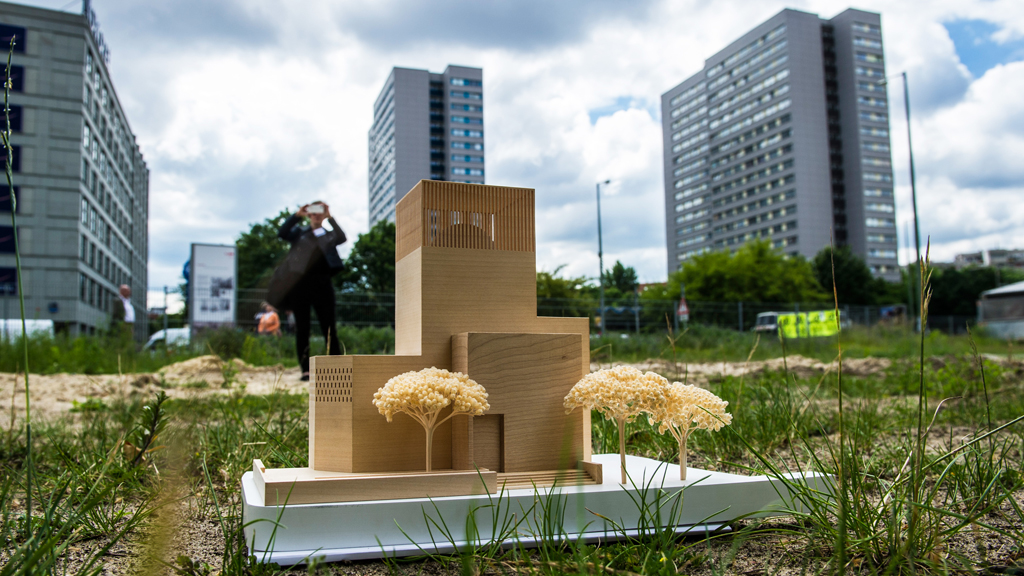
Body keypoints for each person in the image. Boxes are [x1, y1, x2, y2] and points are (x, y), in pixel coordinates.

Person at [277, 201, 343, 380]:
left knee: (329, 328)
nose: (316, 214)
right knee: (302, 328)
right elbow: (282, 233)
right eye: (313, 211)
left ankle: (337, 367)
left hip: (323, 286)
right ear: (308, 214)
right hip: (300, 287)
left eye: (320, 211)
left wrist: (331, 218)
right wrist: (296, 216)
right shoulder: (299, 233)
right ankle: (305, 369)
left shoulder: (328, 235)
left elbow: (342, 238)